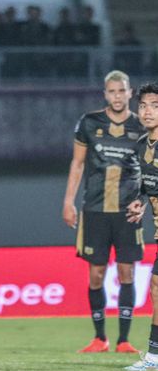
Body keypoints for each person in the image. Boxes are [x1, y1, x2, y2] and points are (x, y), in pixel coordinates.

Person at [62, 70, 143, 354]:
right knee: (96, 274)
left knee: (126, 272)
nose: (117, 96)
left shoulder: (142, 125)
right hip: (95, 209)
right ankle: (100, 338)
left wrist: (144, 200)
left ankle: (124, 340)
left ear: (130, 93)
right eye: (112, 91)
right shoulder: (89, 122)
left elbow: (150, 168)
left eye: (122, 91)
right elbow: (77, 163)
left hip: (127, 211)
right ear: (105, 94)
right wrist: (68, 201)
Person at [125, 82, 158, 371]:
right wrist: (140, 201)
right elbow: (146, 185)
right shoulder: (141, 146)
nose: (148, 111)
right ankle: (154, 356)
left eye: (155, 106)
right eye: (144, 105)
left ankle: (154, 357)